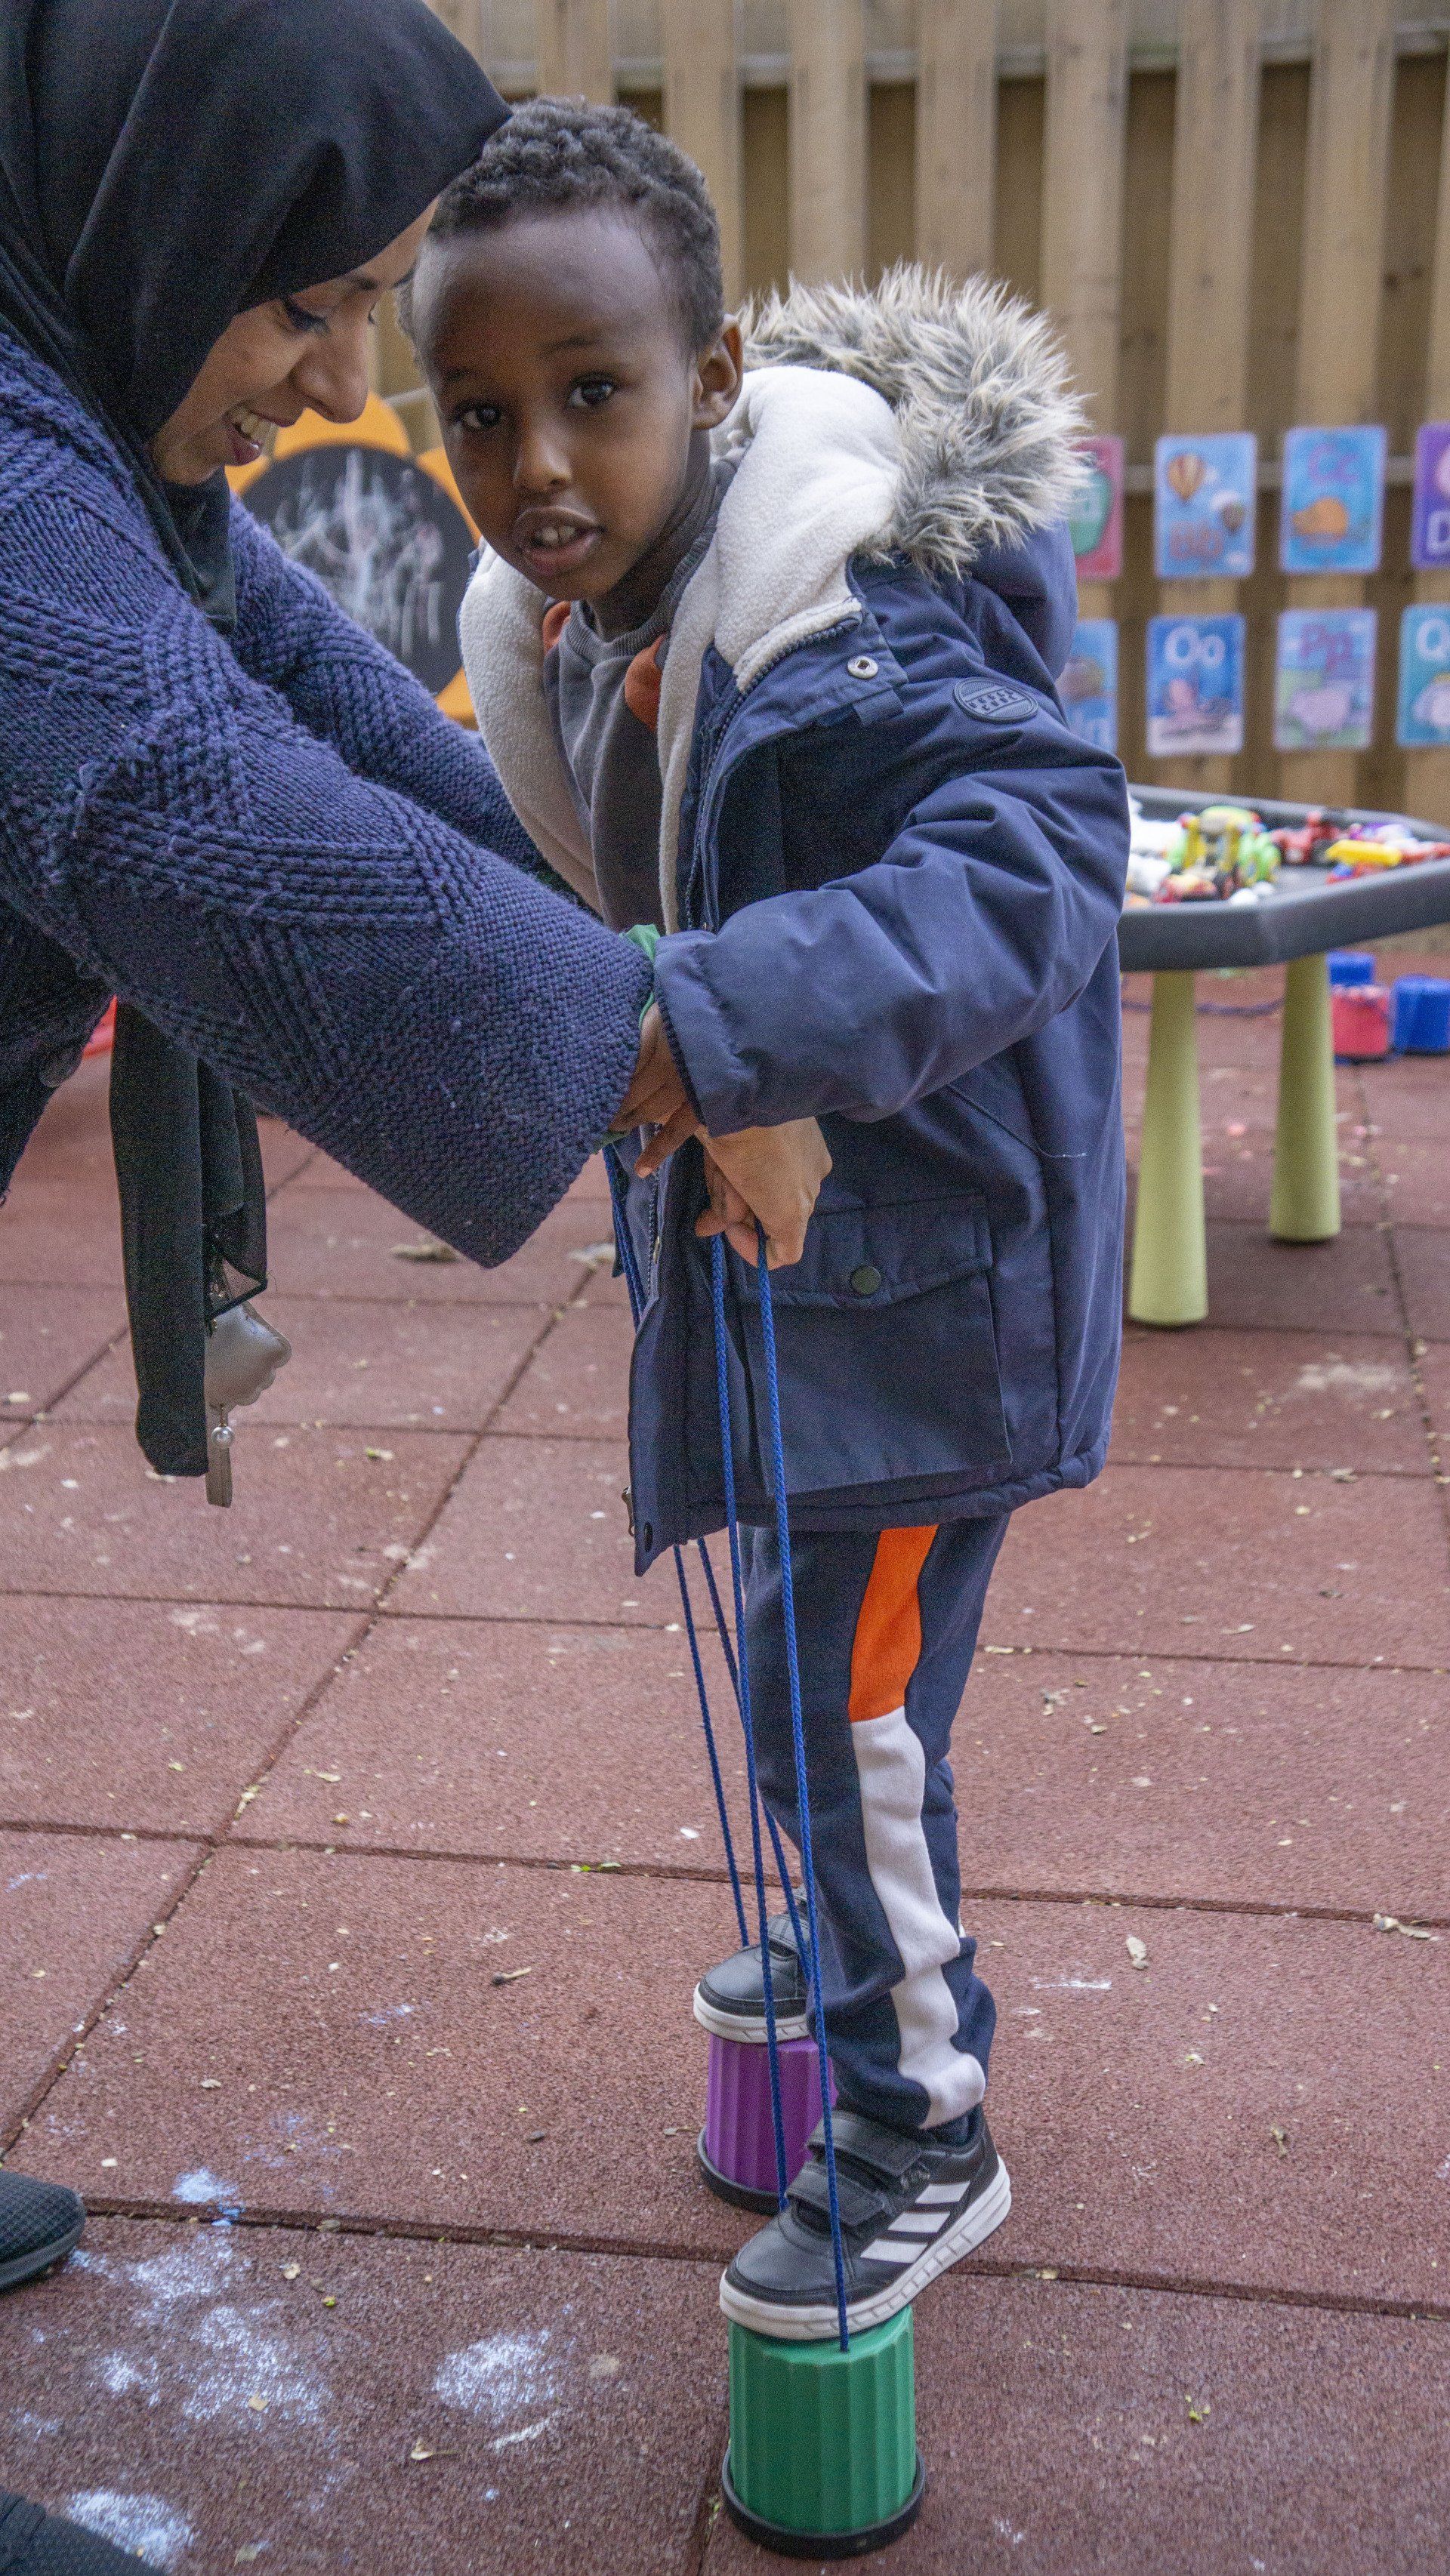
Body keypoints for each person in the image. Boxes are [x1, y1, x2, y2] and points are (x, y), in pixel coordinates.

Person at [0, 10, 822, 2306]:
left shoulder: (89, 428)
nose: (349, 385)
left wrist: (637, 973)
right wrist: (670, 1055)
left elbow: (317, 693)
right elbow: (180, 800)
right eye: (308, 303)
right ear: (152, 209)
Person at [409, 100, 1131, 2340]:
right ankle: (845, 1938)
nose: (538, 463)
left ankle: (925, 2121)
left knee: (857, 1715)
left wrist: (724, 1031)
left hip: (929, 1292)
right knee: (822, 1691)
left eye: (595, 395)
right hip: (795, 1281)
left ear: (715, 380)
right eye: (479, 413)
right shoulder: (581, 622)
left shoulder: (865, 614)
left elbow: (1036, 857)